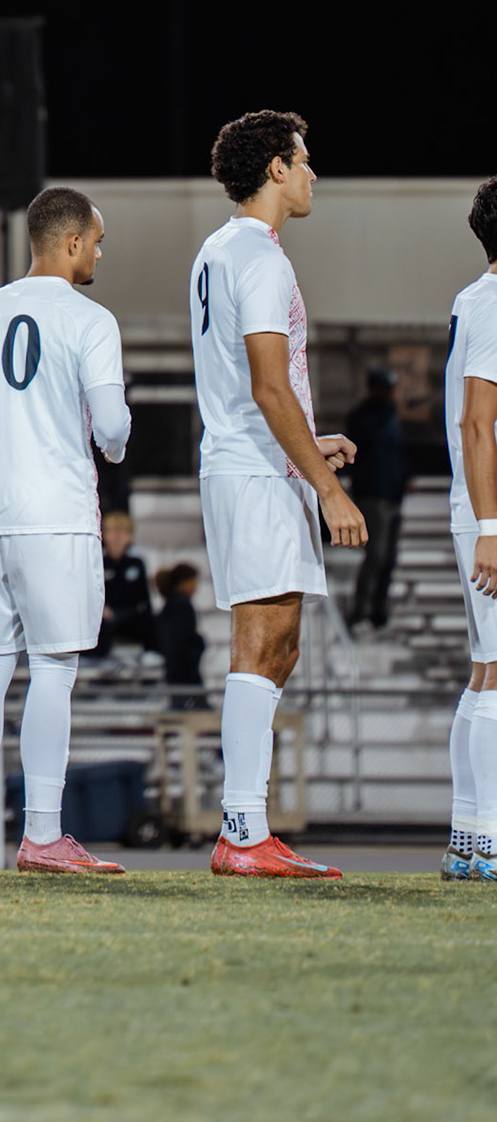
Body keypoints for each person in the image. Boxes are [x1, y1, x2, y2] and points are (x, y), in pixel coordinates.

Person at [0, 186, 131, 876]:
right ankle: (42, 832)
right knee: (53, 666)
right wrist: (114, 446)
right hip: (56, 515)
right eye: (96, 242)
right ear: (72, 242)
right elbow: (111, 424)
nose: (99, 254)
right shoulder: (89, 319)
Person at [188, 110, 364, 879]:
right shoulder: (259, 256)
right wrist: (329, 490)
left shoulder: (219, 249)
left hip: (253, 461)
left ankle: (246, 827)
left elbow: (247, 385)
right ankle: (242, 830)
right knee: (263, 642)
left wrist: (307, 445)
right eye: (305, 159)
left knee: (277, 643)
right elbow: (266, 384)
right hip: (256, 472)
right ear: (277, 169)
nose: (313, 173)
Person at [441, 177, 497, 882]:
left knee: (486, 671)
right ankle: (487, 840)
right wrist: (491, 526)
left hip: (480, 509)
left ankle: (468, 836)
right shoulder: (494, 304)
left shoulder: (474, 298)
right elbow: (477, 422)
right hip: (489, 511)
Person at [345, 368, 407, 630]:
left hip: (393, 495)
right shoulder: (363, 417)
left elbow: (397, 454)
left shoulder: (392, 417)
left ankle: (379, 612)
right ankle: (360, 610)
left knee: (389, 557)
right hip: (372, 495)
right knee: (376, 556)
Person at [98, 511, 154, 659]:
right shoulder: (98, 563)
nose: (115, 537)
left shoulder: (136, 563)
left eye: (120, 532)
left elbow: (144, 601)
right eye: (111, 531)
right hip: (105, 617)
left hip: (130, 616)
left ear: (130, 536)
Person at [153, 564, 207, 711]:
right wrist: (197, 646)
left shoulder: (171, 604)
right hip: (184, 671)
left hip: (175, 670)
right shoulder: (181, 605)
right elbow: (182, 639)